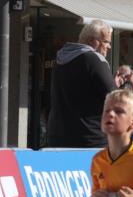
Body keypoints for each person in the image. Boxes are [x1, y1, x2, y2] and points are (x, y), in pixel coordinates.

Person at [48, 20, 116, 148]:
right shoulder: (93, 59)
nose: (109, 47)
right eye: (106, 42)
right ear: (93, 41)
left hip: (58, 137)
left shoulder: (60, 59)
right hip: (90, 139)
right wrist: (129, 85)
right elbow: (115, 97)